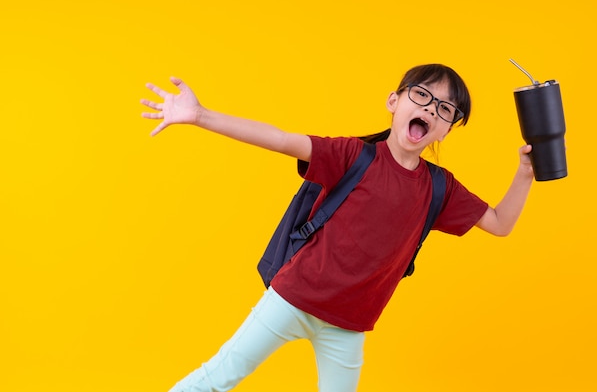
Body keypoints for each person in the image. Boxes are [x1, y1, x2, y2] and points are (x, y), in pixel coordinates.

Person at [141, 64, 534, 392]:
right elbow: (280, 139)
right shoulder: (353, 155)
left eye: (446, 109)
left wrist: (525, 172)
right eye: (423, 96)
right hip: (291, 300)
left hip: (348, 327)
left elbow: (499, 224)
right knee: (218, 377)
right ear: (394, 102)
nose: (431, 110)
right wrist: (199, 115)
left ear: (448, 129)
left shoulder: (440, 187)